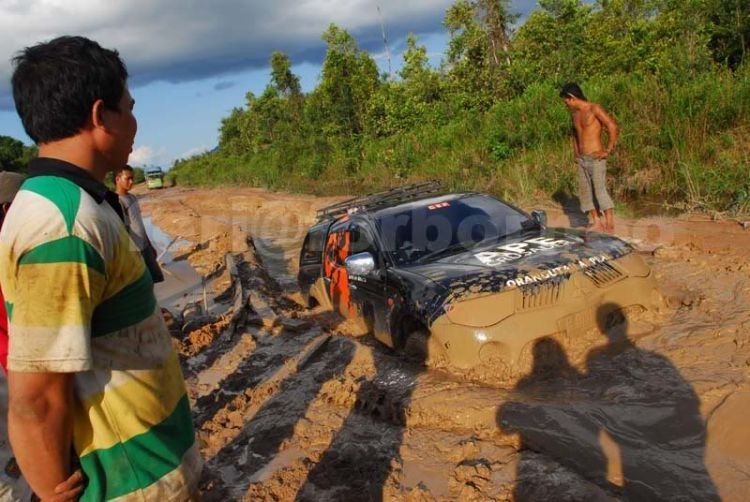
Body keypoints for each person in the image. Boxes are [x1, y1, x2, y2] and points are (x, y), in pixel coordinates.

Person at [1, 36, 202, 500]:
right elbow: (37, 397)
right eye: (128, 108)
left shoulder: (81, 204)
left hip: (148, 466)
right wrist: (52, 491)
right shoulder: (63, 223)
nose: (134, 124)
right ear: (99, 115)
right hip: (130, 482)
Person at [560, 83, 619, 233]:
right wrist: (576, 153)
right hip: (582, 160)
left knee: (599, 190)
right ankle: (597, 222)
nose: (566, 104)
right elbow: (575, 135)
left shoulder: (594, 108)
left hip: (596, 157)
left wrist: (608, 150)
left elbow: (611, 126)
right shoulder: (574, 115)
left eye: (566, 100)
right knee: (585, 192)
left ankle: (610, 223)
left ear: (572, 97)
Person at [115, 165, 165, 283]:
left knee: (156, 277)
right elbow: (121, 230)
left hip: (144, 246)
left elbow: (138, 223)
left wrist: (149, 244)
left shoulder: (132, 197)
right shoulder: (117, 201)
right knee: (142, 283)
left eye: (132, 178)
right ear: (118, 179)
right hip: (133, 250)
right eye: (128, 178)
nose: (131, 182)